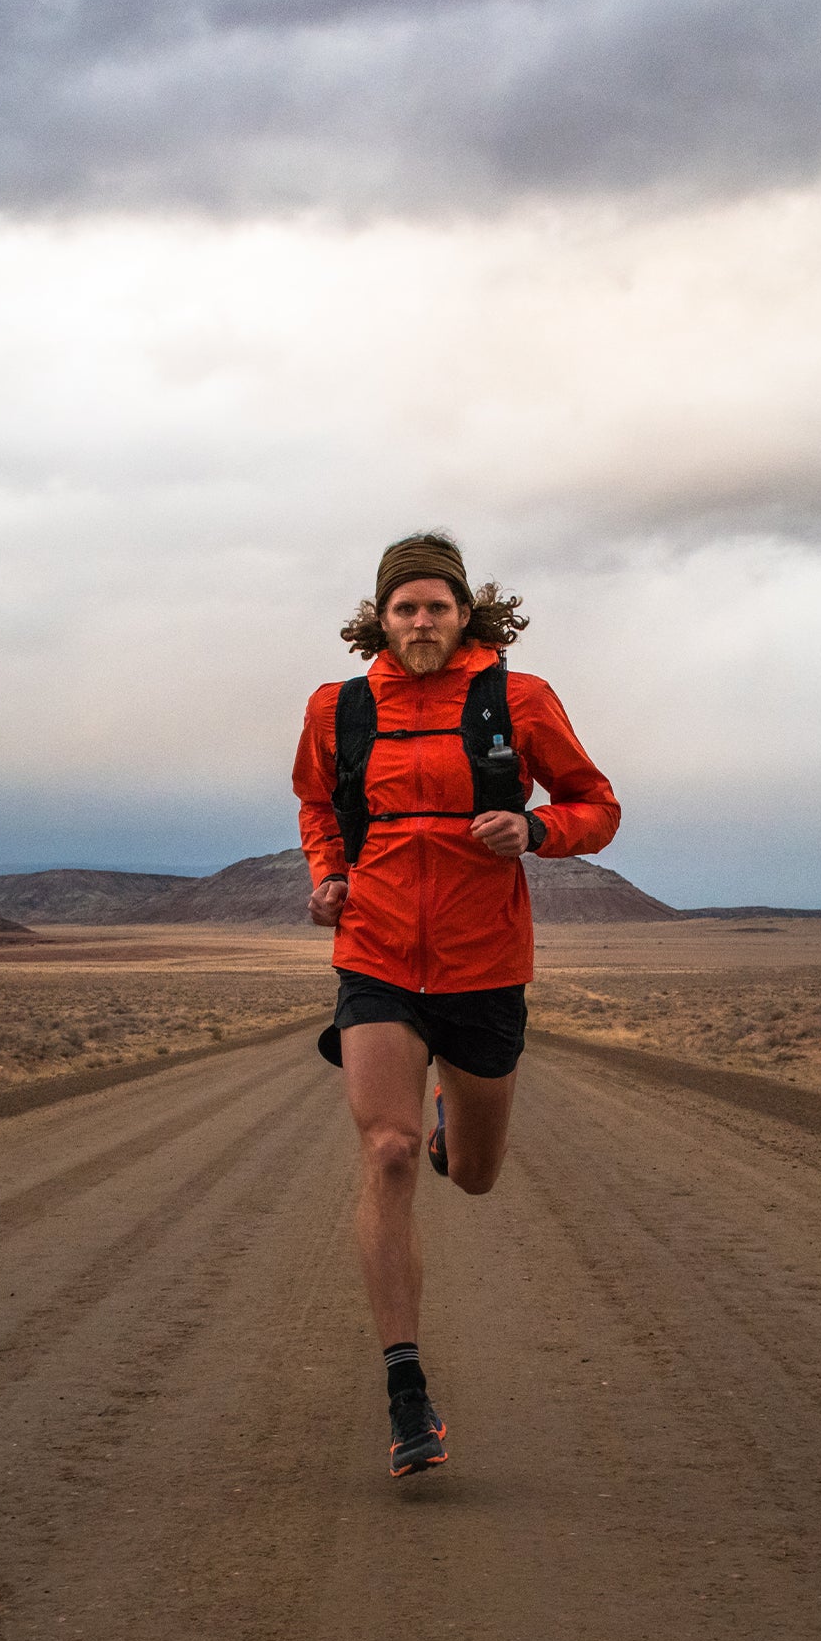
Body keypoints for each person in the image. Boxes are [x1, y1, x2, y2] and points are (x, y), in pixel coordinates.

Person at [292, 532, 620, 1477]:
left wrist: (537, 827)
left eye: (438, 605)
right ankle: (407, 1391)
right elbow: (318, 805)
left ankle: (455, 1130)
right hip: (379, 953)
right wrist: (329, 875)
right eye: (406, 608)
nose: (422, 621)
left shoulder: (519, 699)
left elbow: (597, 802)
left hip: (483, 963)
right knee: (384, 1151)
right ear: (380, 617)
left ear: (465, 612)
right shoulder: (340, 708)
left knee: (472, 1173)